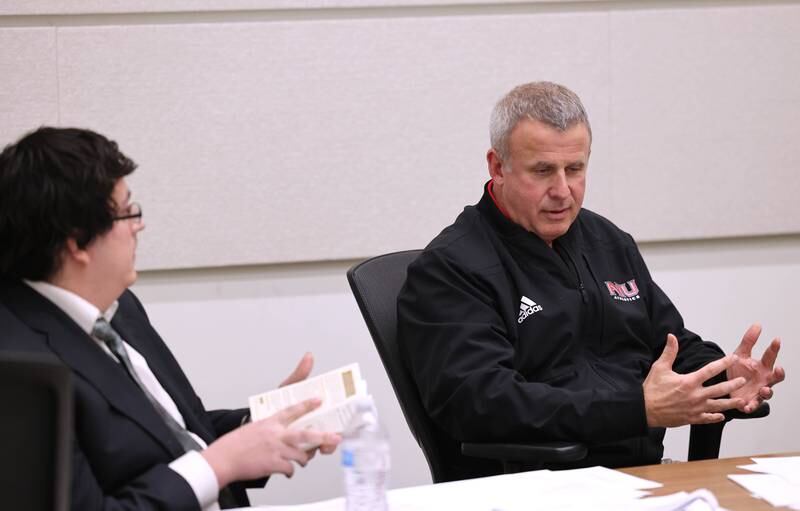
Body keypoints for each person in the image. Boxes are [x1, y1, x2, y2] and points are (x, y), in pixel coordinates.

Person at [396, 81, 785, 481]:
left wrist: (722, 380)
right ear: (498, 167)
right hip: (536, 486)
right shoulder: (451, 268)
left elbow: (669, 345)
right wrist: (636, 409)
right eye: (543, 171)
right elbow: (482, 403)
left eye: (575, 169)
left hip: (642, 478)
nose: (563, 191)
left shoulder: (608, 242)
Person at [0, 127, 341, 510]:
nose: (138, 226)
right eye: (127, 212)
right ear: (78, 242)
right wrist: (220, 464)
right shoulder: (18, 367)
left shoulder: (121, 308)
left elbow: (178, 433)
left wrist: (261, 426)